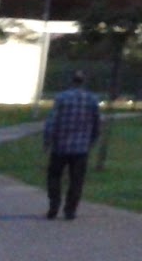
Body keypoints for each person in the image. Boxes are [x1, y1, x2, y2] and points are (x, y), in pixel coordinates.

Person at [43, 70, 101, 220]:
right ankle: (70, 210)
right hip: (81, 148)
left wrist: (47, 141)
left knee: (54, 177)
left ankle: (54, 206)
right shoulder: (92, 99)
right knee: (76, 180)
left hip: (60, 146)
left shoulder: (61, 98)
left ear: (72, 81)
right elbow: (96, 123)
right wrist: (92, 140)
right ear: (83, 82)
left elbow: (52, 121)